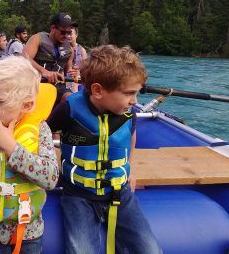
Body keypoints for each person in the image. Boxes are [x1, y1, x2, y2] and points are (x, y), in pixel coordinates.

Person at [47, 45, 161, 254]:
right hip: (78, 195)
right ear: (98, 90)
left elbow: (131, 137)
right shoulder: (69, 108)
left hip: (120, 193)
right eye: (129, 93)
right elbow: (43, 133)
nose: (135, 101)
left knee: (151, 250)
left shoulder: (127, 112)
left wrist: (130, 169)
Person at [0, 56, 59, 254]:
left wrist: (11, 147)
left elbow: (50, 178)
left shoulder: (39, 130)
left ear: (26, 105)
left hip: (28, 232)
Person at [22, 12, 79, 106]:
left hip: (57, 87)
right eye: (63, 32)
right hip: (35, 84)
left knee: (71, 101)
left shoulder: (70, 49)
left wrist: (74, 73)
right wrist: (43, 71)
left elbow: (68, 71)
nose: (66, 36)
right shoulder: (37, 39)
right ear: (53, 28)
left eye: (69, 32)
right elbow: (24, 58)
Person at [66, 27, 88, 93]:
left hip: (78, 76)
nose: (68, 36)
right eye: (67, 34)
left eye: (70, 34)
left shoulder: (82, 50)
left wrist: (79, 73)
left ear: (76, 35)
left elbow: (86, 68)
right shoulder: (63, 49)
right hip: (67, 76)